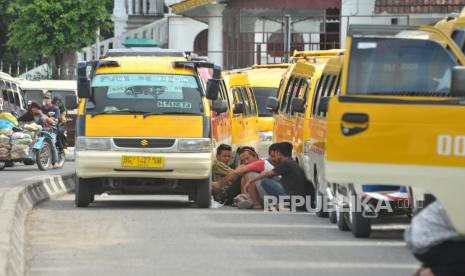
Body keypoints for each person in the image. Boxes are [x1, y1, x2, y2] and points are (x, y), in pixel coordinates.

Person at [245, 142, 315, 207]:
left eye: (275, 154)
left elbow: (267, 174)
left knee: (265, 181)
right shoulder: (291, 162)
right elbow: (271, 175)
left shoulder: (285, 163)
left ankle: (284, 204)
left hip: (291, 199)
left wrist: (250, 181)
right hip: (297, 197)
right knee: (270, 177)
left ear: (278, 153)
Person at [405, 200, 465, 276]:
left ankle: (430, 268)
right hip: (427, 243)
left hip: (422, 238)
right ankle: (434, 272)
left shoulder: (458, 197)